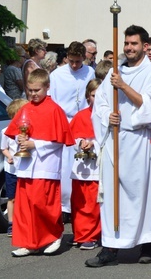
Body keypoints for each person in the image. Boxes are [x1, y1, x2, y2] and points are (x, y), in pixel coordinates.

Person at [86, 25, 151, 268]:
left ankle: (146, 243)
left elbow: (150, 107)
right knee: (111, 195)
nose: (130, 48)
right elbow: (99, 104)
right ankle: (110, 247)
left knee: (140, 195)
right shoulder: (114, 72)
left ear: (145, 46)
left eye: (134, 44)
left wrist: (124, 87)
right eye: (127, 44)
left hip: (139, 141)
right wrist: (108, 115)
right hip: (115, 140)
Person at [5, 69, 75, 257]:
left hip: (46, 165)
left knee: (43, 204)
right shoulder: (26, 108)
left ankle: (53, 236)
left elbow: (60, 140)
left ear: (47, 87)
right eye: (30, 90)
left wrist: (35, 144)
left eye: (37, 90)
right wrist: (21, 139)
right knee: (25, 206)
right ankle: (29, 241)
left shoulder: (54, 109)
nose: (33, 94)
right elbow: (17, 131)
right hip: (27, 165)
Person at [49, 41, 95, 216]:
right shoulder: (57, 75)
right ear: (67, 58)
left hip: (84, 120)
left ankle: (81, 202)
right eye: (71, 61)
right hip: (64, 121)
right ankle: (63, 205)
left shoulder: (89, 72)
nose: (75, 65)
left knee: (84, 162)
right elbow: (53, 100)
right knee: (65, 165)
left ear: (84, 58)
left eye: (78, 61)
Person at [69, 79, 102, 251]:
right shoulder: (81, 115)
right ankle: (80, 234)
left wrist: (94, 145)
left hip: (98, 166)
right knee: (78, 202)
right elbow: (72, 137)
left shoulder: (107, 115)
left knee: (93, 204)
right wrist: (81, 142)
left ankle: (91, 236)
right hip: (81, 167)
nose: (96, 99)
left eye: (100, 95)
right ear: (88, 96)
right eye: (93, 95)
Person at [2, 98, 28, 237]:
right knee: (12, 198)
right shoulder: (5, 131)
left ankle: (23, 222)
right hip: (12, 170)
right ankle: (11, 223)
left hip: (24, 169)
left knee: (24, 197)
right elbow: (3, 148)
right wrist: (8, 156)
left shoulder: (28, 131)